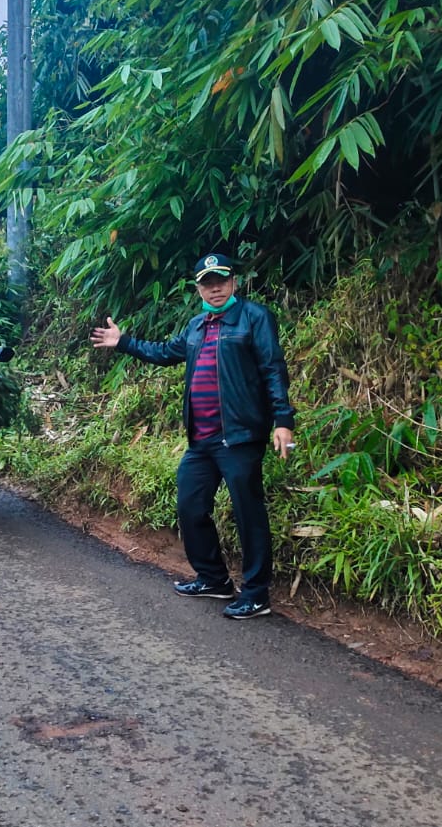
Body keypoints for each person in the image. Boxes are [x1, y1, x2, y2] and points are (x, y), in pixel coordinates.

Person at [90, 252, 296, 620]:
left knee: (248, 513)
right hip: (202, 440)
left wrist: (283, 420)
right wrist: (123, 342)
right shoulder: (197, 325)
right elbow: (166, 352)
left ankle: (256, 593)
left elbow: (272, 369)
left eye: (220, 280)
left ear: (234, 281)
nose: (214, 288)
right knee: (190, 505)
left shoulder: (254, 317)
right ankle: (214, 579)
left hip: (239, 435)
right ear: (198, 288)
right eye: (206, 282)